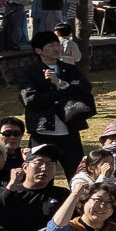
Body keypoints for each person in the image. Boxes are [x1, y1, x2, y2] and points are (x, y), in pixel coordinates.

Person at [18, 29, 96, 174]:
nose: (56, 49)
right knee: (39, 173)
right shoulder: (31, 72)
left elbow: (85, 89)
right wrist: (62, 91)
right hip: (42, 131)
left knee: (77, 173)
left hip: (70, 129)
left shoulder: (70, 68)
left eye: (57, 45)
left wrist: (60, 83)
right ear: (39, 50)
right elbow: (30, 100)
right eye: (50, 46)